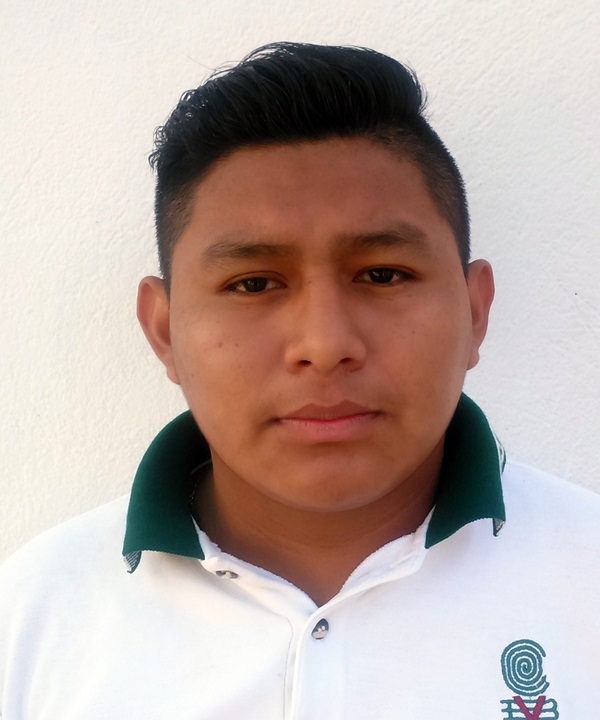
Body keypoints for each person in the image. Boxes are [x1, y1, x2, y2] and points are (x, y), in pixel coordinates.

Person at [1, 42, 599, 720]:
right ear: (164, 331)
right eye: (254, 283)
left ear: (475, 312)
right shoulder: (31, 624)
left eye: (382, 274)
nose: (325, 344)